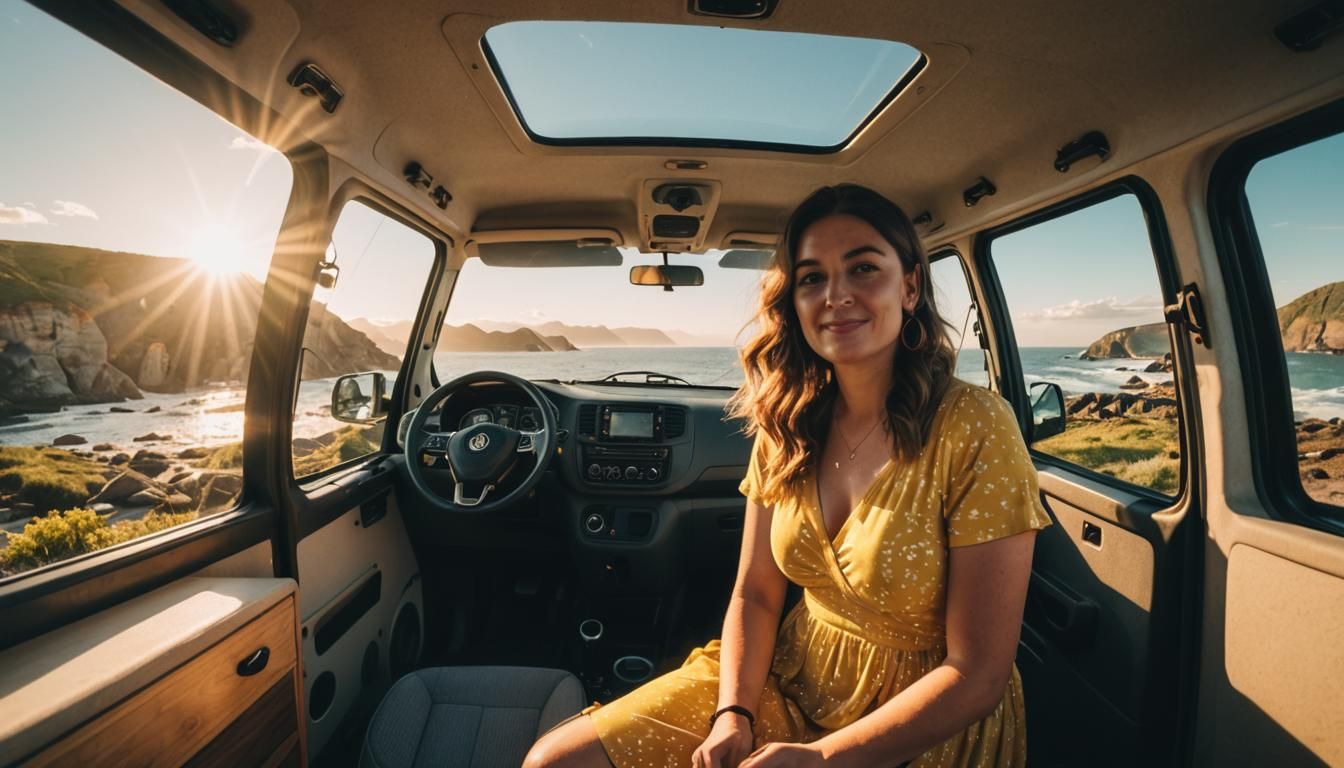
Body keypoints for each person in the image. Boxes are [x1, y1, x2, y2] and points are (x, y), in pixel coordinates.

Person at [525, 184, 1052, 767]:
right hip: (792, 676)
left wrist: (822, 760)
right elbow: (755, 593)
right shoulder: (787, 423)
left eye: (863, 268)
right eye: (811, 278)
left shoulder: (975, 425)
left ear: (909, 288)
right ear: (794, 303)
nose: (836, 295)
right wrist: (734, 713)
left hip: (923, 719)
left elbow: (978, 674)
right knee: (557, 760)